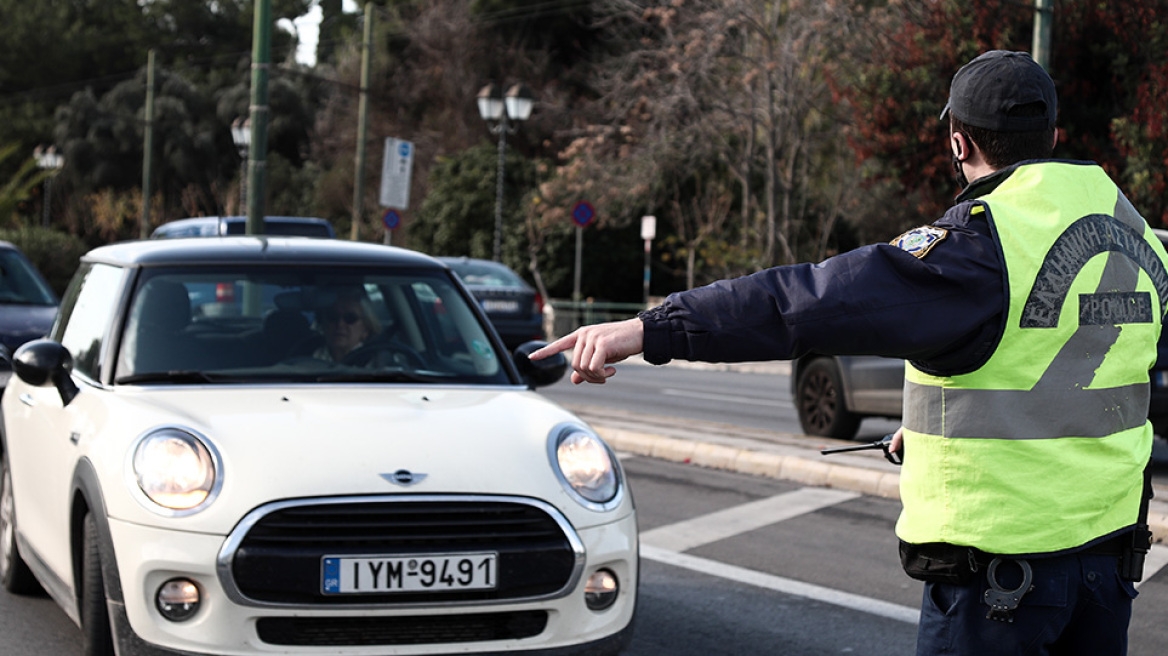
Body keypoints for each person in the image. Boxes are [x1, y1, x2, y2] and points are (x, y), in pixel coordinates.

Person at [532, 50, 1167, 655]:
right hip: (1105, 573)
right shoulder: (1137, 233)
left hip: (1005, 585)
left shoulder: (978, 248)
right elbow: (1080, 378)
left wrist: (649, 329)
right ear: (1054, 138)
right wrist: (936, 433)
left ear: (959, 143)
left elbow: (803, 302)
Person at [313, 287, 381, 362]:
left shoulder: (379, 362)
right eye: (332, 316)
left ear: (366, 329)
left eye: (350, 318)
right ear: (323, 323)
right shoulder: (307, 358)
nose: (340, 324)